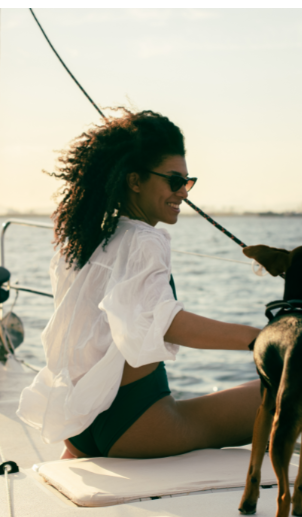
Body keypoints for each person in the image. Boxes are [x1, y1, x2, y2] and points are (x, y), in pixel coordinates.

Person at [17, 109, 262, 459]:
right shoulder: (144, 239)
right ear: (135, 181)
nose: (184, 192)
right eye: (174, 181)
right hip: (137, 423)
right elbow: (165, 322)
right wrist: (260, 339)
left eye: (188, 182)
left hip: (81, 428)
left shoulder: (88, 242)